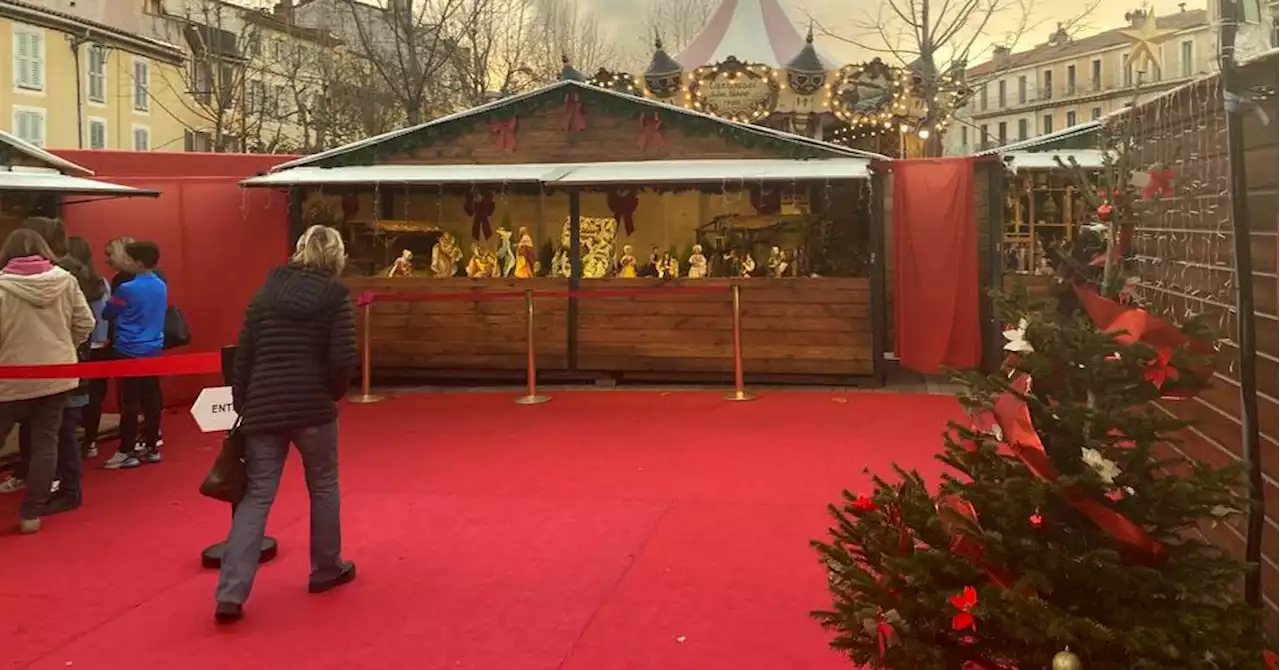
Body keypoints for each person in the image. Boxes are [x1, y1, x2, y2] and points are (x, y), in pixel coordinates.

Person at [214, 225, 358, 624]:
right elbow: (342, 356)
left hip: (264, 404)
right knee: (324, 486)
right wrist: (331, 392)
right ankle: (326, 567)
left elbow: (245, 352)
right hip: (312, 406)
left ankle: (230, 591)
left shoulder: (264, 295)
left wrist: (244, 400)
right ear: (335, 255)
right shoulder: (335, 297)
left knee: (256, 495)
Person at [0, 229, 94, 533]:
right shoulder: (66, 280)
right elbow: (86, 323)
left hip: (9, 377)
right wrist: (65, 346)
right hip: (57, 375)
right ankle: (32, 513)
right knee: (46, 443)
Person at [101, 242, 166, 470]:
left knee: (129, 402)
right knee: (151, 398)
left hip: (128, 349)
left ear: (138, 263)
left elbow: (108, 312)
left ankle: (126, 449)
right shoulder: (161, 285)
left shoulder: (127, 289)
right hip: (153, 348)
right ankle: (152, 445)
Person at [67, 237, 110, 459]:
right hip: (100, 346)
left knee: (70, 399)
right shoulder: (102, 282)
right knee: (94, 397)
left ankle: (70, 445)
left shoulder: (67, 282)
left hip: (75, 347)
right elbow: (110, 311)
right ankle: (90, 442)